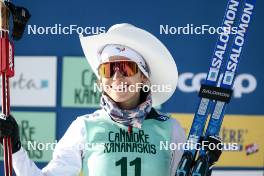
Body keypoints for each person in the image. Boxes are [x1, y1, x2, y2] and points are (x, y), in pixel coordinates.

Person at [0, 23, 186, 176]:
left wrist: (205, 162)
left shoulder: (171, 129)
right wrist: (15, 148)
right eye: (108, 69)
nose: (116, 78)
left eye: (127, 68)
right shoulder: (84, 126)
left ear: (144, 77)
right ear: (99, 80)